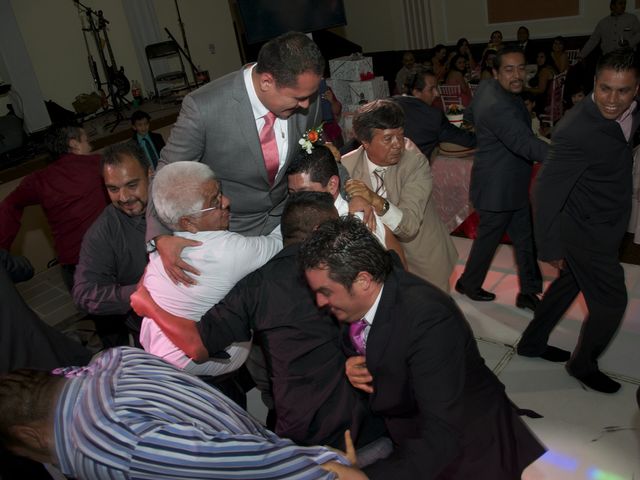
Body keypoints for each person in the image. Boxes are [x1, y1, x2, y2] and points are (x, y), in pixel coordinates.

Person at [131, 193, 387, 453]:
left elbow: (196, 345)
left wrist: (149, 305)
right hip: (370, 424)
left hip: (307, 437)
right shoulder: (350, 268)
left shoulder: (257, 285)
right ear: (319, 231)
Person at [299, 216, 546, 480]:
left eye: (325, 291)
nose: (319, 301)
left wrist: (366, 478)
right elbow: (358, 338)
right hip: (412, 432)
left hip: (469, 452)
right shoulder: (364, 294)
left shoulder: (430, 320)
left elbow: (442, 434)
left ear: (363, 280)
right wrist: (353, 362)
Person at [0, 347, 365, 480]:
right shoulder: (112, 358)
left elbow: (226, 461)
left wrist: (321, 468)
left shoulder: (106, 445)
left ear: (30, 436)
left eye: (28, 453)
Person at [147, 31, 324, 285]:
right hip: (233, 237)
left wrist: (349, 191)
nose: (307, 106)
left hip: (288, 225)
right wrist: (160, 237)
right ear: (266, 81)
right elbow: (165, 174)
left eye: (309, 96)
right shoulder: (204, 108)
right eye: (298, 98)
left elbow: (314, 154)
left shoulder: (307, 96)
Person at [517, 49, 640, 394]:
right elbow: (545, 191)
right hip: (586, 230)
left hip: (608, 218)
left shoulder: (632, 110)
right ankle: (582, 363)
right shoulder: (575, 130)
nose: (613, 100)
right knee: (612, 302)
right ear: (594, 84)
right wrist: (551, 246)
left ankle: (531, 343)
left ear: (636, 89)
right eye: (605, 89)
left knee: (570, 284)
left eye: (623, 91)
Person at [140, 161, 282, 377]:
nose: (226, 201)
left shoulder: (164, 248)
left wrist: (158, 240)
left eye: (220, 192)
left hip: (154, 351)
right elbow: (282, 240)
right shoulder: (226, 252)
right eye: (214, 202)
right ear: (188, 223)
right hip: (197, 373)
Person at [455, 46, 548, 310]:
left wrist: (486, 139)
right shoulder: (498, 106)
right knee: (488, 242)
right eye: (509, 69)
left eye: (522, 68)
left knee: (524, 238)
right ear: (496, 72)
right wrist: (569, 154)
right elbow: (526, 145)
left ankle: (528, 292)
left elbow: (470, 115)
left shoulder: (486, 87)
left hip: (509, 183)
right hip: (497, 189)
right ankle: (469, 284)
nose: (517, 75)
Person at [341, 100, 458, 292]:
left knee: (432, 313)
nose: (398, 145)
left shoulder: (415, 162)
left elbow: (409, 226)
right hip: (378, 265)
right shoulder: (347, 165)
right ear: (365, 142)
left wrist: (375, 200)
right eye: (388, 139)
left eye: (401, 135)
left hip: (422, 257)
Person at [0, 125, 108, 290]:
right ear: (74, 144)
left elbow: (9, 205)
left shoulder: (38, 180)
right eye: (86, 141)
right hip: (108, 258)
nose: (90, 146)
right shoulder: (99, 164)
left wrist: (2, 251)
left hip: (73, 267)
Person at [72, 142, 151, 348]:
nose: (124, 197)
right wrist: (141, 292)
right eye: (113, 189)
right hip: (153, 332)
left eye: (132, 185)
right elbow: (84, 294)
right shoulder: (103, 232)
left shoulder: (176, 198)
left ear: (150, 174)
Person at [287, 144, 406, 259]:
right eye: (292, 193)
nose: (296, 201)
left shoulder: (358, 223)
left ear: (332, 185)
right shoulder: (297, 221)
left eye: (305, 192)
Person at [393, 66, 476, 159]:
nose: (437, 93)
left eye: (436, 88)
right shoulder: (433, 116)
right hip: (413, 171)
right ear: (416, 92)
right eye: (431, 89)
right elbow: (467, 140)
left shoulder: (387, 104)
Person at [525, 50, 559, 116]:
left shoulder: (544, 71)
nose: (539, 59)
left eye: (542, 57)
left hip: (544, 101)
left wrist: (525, 89)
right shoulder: (551, 67)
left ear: (547, 58)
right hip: (553, 98)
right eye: (538, 57)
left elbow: (541, 90)